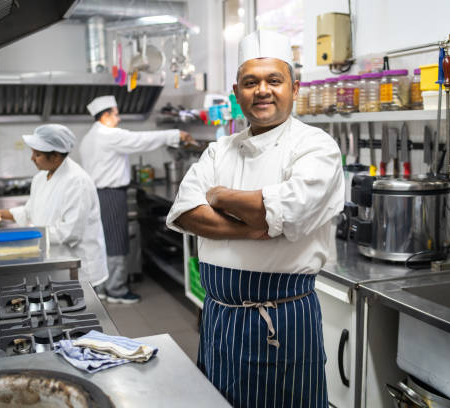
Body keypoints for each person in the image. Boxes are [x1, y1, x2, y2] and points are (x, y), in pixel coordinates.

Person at [166, 30, 345, 407]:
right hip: (217, 317)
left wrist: (220, 196)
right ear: (236, 91)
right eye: (251, 83)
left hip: (281, 321)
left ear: (295, 87)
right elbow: (185, 213)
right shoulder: (219, 151)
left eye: (273, 80)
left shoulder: (316, 146)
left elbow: (289, 209)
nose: (262, 90)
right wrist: (254, 228)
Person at [80, 95, 194, 304]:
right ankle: (116, 290)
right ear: (105, 116)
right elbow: (141, 140)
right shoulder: (108, 135)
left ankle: (105, 286)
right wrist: (176, 134)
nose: (119, 118)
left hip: (98, 194)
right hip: (111, 194)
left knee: (104, 242)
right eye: (116, 113)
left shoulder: (91, 136)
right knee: (116, 241)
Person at [0, 124, 108, 287]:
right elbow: (29, 211)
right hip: (52, 262)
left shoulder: (77, 181)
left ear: (55, 156)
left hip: (78, 267)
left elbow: (69, 233)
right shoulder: (40, 178)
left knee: (78, 309)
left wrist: (28, 237)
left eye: (37, 154)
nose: (32, 158)